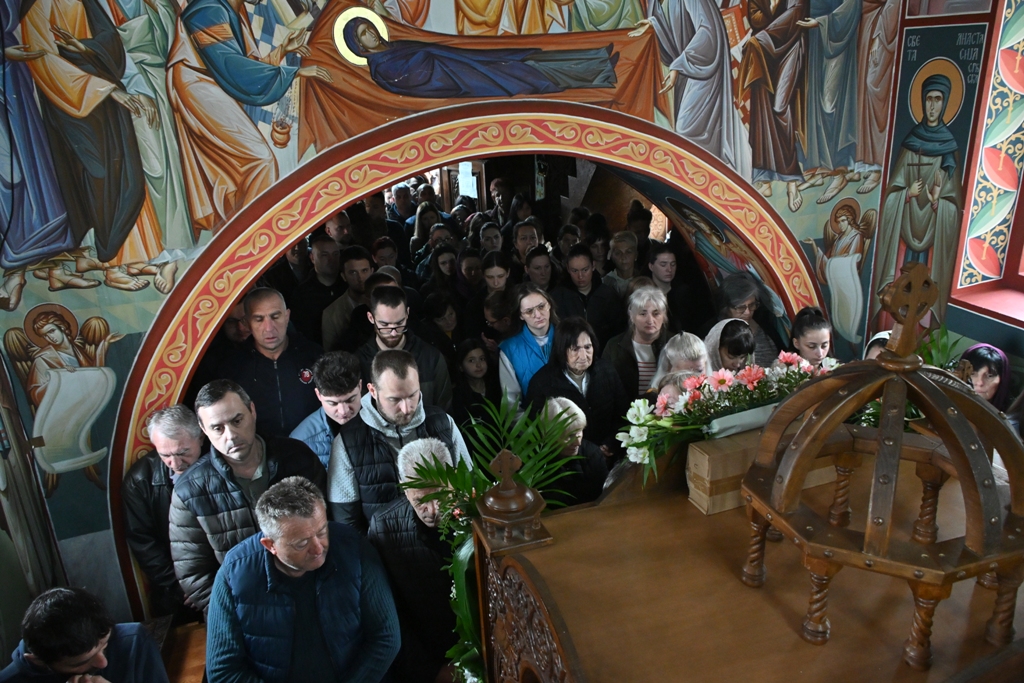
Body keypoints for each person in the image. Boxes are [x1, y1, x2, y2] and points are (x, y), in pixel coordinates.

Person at [206, 477, 399, 683]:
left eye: (322, 532)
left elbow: (386, 636)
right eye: (301, 543)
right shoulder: (234, 574)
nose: (318, 548)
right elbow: (222, 670)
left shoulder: (353, 548)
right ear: (270, 545)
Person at [170, 380, 327, 614]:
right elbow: (194, 575)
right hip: (241, 612)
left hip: (314, 598)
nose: (231, 435)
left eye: (237, 421)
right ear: (203, 430)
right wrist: (240, 614)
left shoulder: (297, 457)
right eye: (217, 428)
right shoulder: (189, 491)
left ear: (252, 411)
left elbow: (329, 528)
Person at [328, 350, 471, 531]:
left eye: (412, 395)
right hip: (381, 544)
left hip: (447, 539)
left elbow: (468, 487)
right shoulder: (348, 441)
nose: (406, 408)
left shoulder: (443, 423)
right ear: (373, 391)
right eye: (394, 399)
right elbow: (346, 522)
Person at [871, 74, 962, 326]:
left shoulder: (949, 149)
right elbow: (891, 195)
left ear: (945, 103)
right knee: (899, 296)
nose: (932, 106)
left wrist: (937, 202)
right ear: (922, 102)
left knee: (921, 296)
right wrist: (907, 194)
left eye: (938, 100)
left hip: (932, 238)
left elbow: (954, 207)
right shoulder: (910, 143)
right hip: (904, 234)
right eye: (928, 99)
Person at [368, 439, 459, 683]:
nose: (433, 510)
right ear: (404, 488)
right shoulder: (384, 528)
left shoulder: (477, 510)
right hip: (425, 655)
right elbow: (389, 612)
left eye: (441, 496)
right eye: (421, 500)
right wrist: (431, 671)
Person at [631, 0, 750, 177]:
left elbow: (707, 33)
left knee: (686, 129)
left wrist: (680, 64)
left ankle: (706, 178)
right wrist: (653, 24)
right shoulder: (654, 3)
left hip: (704, 71)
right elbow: (673, 30)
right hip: (687, 72)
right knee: (687, 135)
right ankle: (706, 177)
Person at [121, 406, 204, 619]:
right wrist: (181, 586)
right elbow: (143, 542)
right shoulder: (139, 481)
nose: (175, 464)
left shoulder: (224, 463)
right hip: (176, 594)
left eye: (183, 452)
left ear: (201, 438)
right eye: (165, 455)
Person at [0, 587, 169, 683]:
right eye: (81, 662)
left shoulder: (133, 640)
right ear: (38, 660)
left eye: (105, 645)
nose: (103, 662)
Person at [217, 288, 321, 438]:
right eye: (259, 319)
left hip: (313, 446)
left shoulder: (314, 356)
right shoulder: (233, 367)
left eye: (275, 317)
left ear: (287, 316)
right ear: (247, 323)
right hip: (259, 449)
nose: (269, 328)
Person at [738, 0, 807, 212]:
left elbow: (796, 12)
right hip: (763, 53)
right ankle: (765, 178)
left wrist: (764, 36)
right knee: (762, 114)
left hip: (789, 47)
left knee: (780, 108)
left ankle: (792, 180)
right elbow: (755, 17)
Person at [526, 318, 629, 453]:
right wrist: (589, 453)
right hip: (567, 458)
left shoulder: (607, 371)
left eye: (587, 347)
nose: (583, 356)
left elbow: (623, 414)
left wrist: (609, 444)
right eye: (575, 349)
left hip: (609, 453)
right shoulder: (542, 382)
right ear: (562, 350)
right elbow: (537, 432)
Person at [358, 286, 453, 409]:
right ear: (371, 318)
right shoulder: (358, 362)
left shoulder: (431, 358)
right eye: (384, 324)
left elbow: (444, 410)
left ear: (407, 314)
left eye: (399, 323)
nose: (393, 333)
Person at [289, 351, 363, 469]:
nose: (343, 411)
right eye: (333, 403)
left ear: (360, 386)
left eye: (350, 400)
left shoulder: (383, 422)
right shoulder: (300, 442)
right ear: (318, 395)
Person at [551, 244, 625, 347]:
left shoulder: (608, 295)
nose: (580, 276)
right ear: (568, 268)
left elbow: (618, 331)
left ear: (593, 266)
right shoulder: (558, 297)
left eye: (585, 270)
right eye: (575, 271)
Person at [540, 397, 609, 507]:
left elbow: (606, 496)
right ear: (550, 434)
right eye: (569, 436)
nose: (578, 442)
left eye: (579, 432)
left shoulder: (593, 454)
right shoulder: (535, 465)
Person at [498, 283, 559, 406]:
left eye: (541, 306)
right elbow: (511, 402)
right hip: (532, 416)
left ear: (549, 304)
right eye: (529, 311)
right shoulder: (509, 349)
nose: (538, 315)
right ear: (520, 315)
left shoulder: (570, 336)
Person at [603, 286, 669, 398]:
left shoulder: (674, 343)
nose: (650, 320)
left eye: (656, 314)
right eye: (643, 314)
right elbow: (605, 386)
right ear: (631, 316)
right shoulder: (614, 346)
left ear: (664, 316)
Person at [713, 273, 786, 367]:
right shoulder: (713, 333)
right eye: (740, 308)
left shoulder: (765, 326)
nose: (748, 312)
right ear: (726, 308)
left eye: (752, 305)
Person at [289, 232, 344, 345]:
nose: (331, 259)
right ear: (312, 258)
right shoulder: (302, 294)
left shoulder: (347, 286)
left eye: (335, 254)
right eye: (324, 255)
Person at [321, 246, 376, 351]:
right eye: (353, 273)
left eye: (364, 271)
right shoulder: (331, 314)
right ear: (344, 276)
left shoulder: (384, 302)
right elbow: (330, 355)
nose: (360, 278)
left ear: (372, 271)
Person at [451, 338, 504, 427]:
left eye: (482, 359)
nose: (478, 365)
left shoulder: (497, 386)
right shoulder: (457, 396)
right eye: (471, 360)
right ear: (460, 366)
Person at [649, 241, 697, 334]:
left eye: (673, 264)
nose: (669, 269)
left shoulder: (683, 293)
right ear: (651, 266)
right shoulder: (644, 294)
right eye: (663, 264)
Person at [960, 344, 1012, 412]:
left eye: (989, 376)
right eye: (972, 373)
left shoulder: (1011, 416)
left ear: (1003, 380)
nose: (980, 383)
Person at [604, 230, 639, 297]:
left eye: (628, 252)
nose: (623, 257)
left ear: (636, 255)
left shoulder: (643, 280)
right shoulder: (605, 282)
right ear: (612, 256)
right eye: (618, 253)